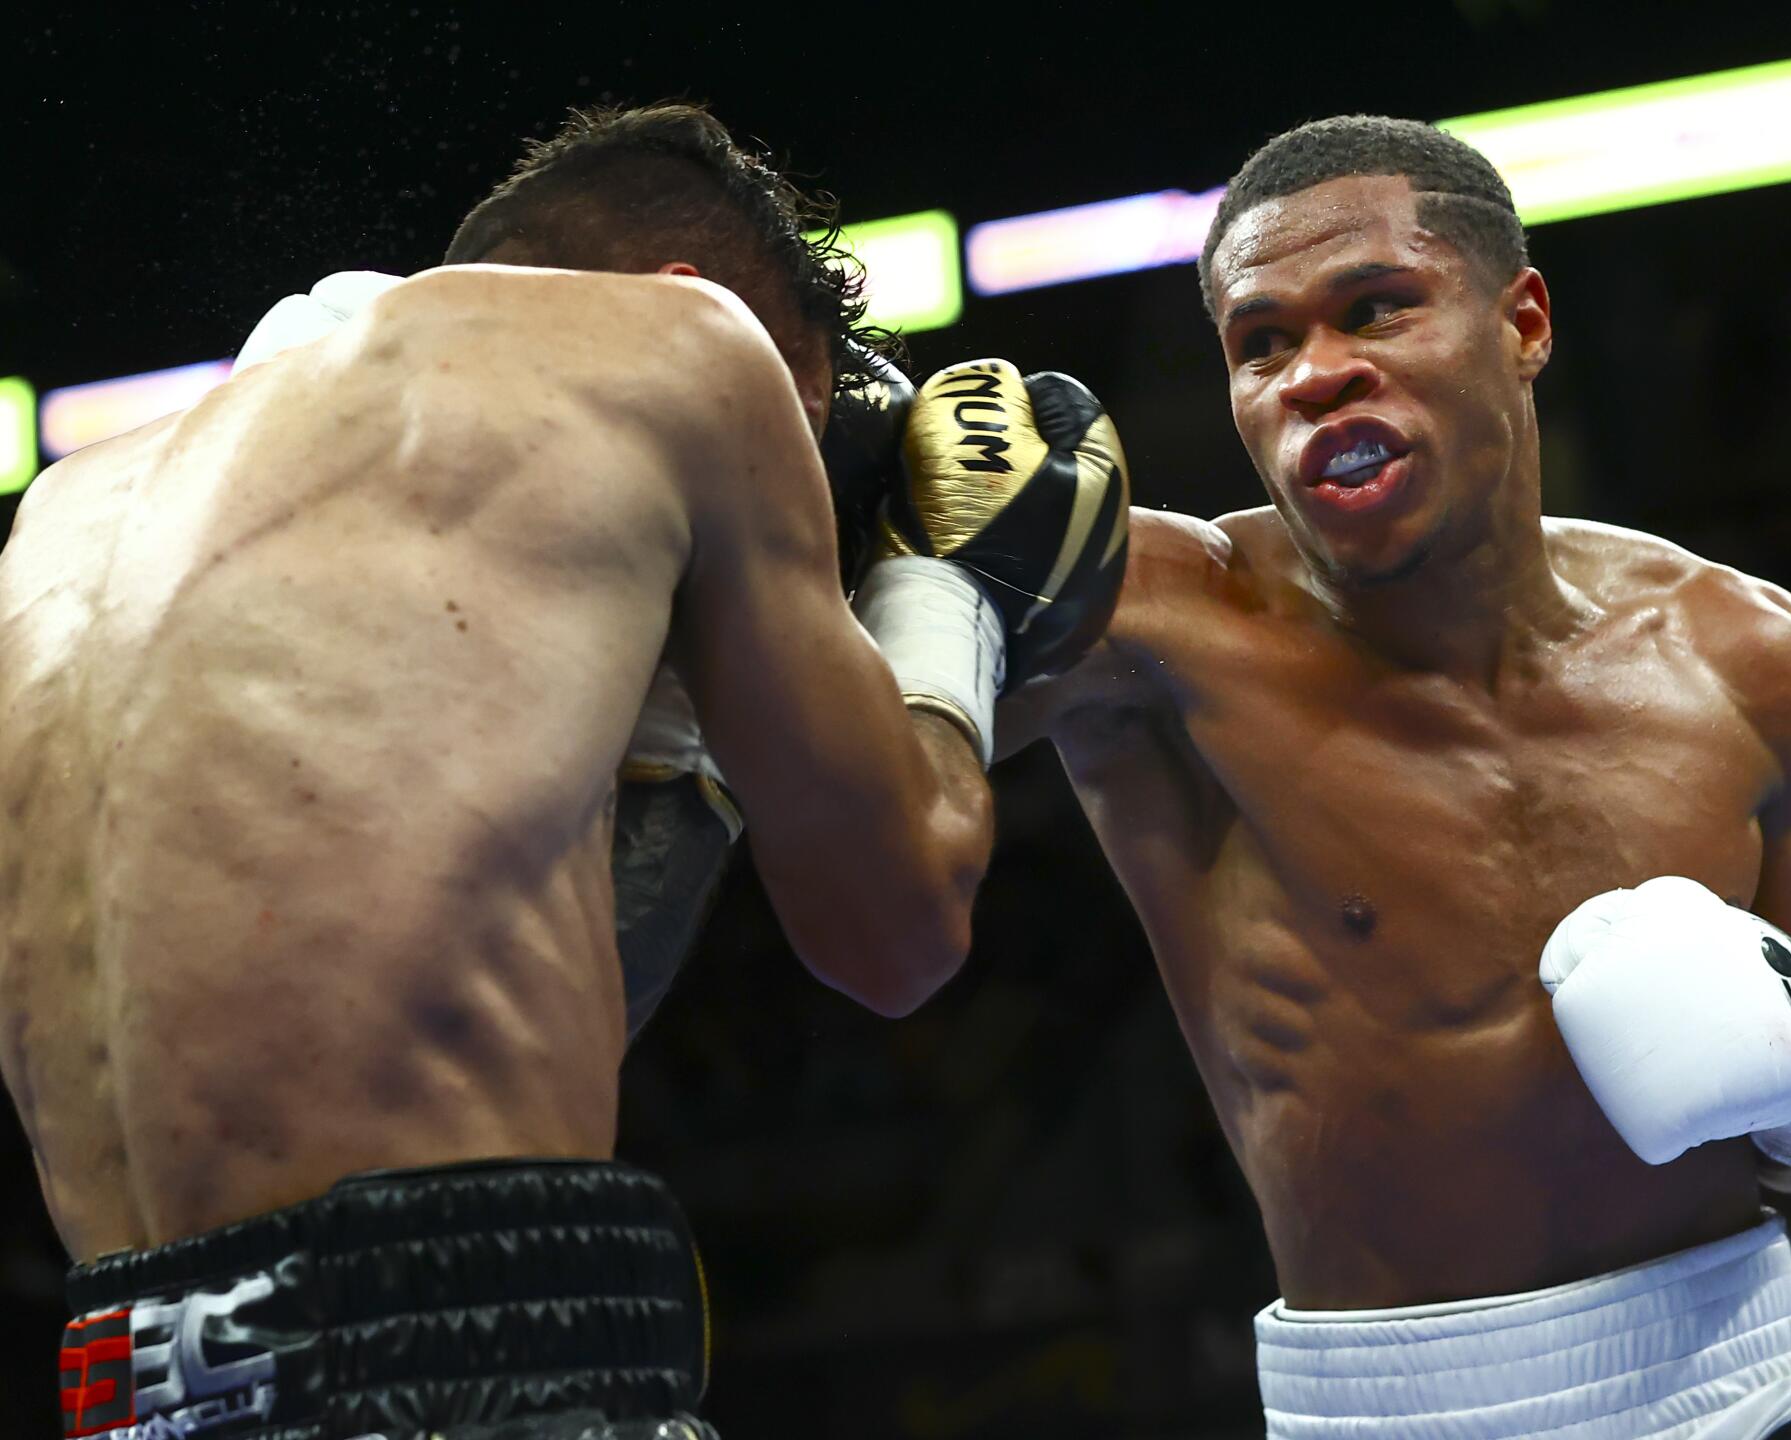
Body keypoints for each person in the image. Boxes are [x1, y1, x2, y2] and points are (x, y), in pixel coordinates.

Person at [0, 102, 1125, 1440]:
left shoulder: (64, 515)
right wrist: (951, 596)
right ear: (685, 301)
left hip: (127, 1381)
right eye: (801, 430)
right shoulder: (689, 353)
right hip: (483, 1344)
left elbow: (416, 1016)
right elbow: (897, 929)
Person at [999, 115, 1791, 1438]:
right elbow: (825, 737)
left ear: (1526, 324)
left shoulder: (1747, 652)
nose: (1315, 375)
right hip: (1402, 1408)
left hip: (1752, 1373)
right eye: (1261, 342)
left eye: (1376, 309)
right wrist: (919, 558)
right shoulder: (1156, 624)